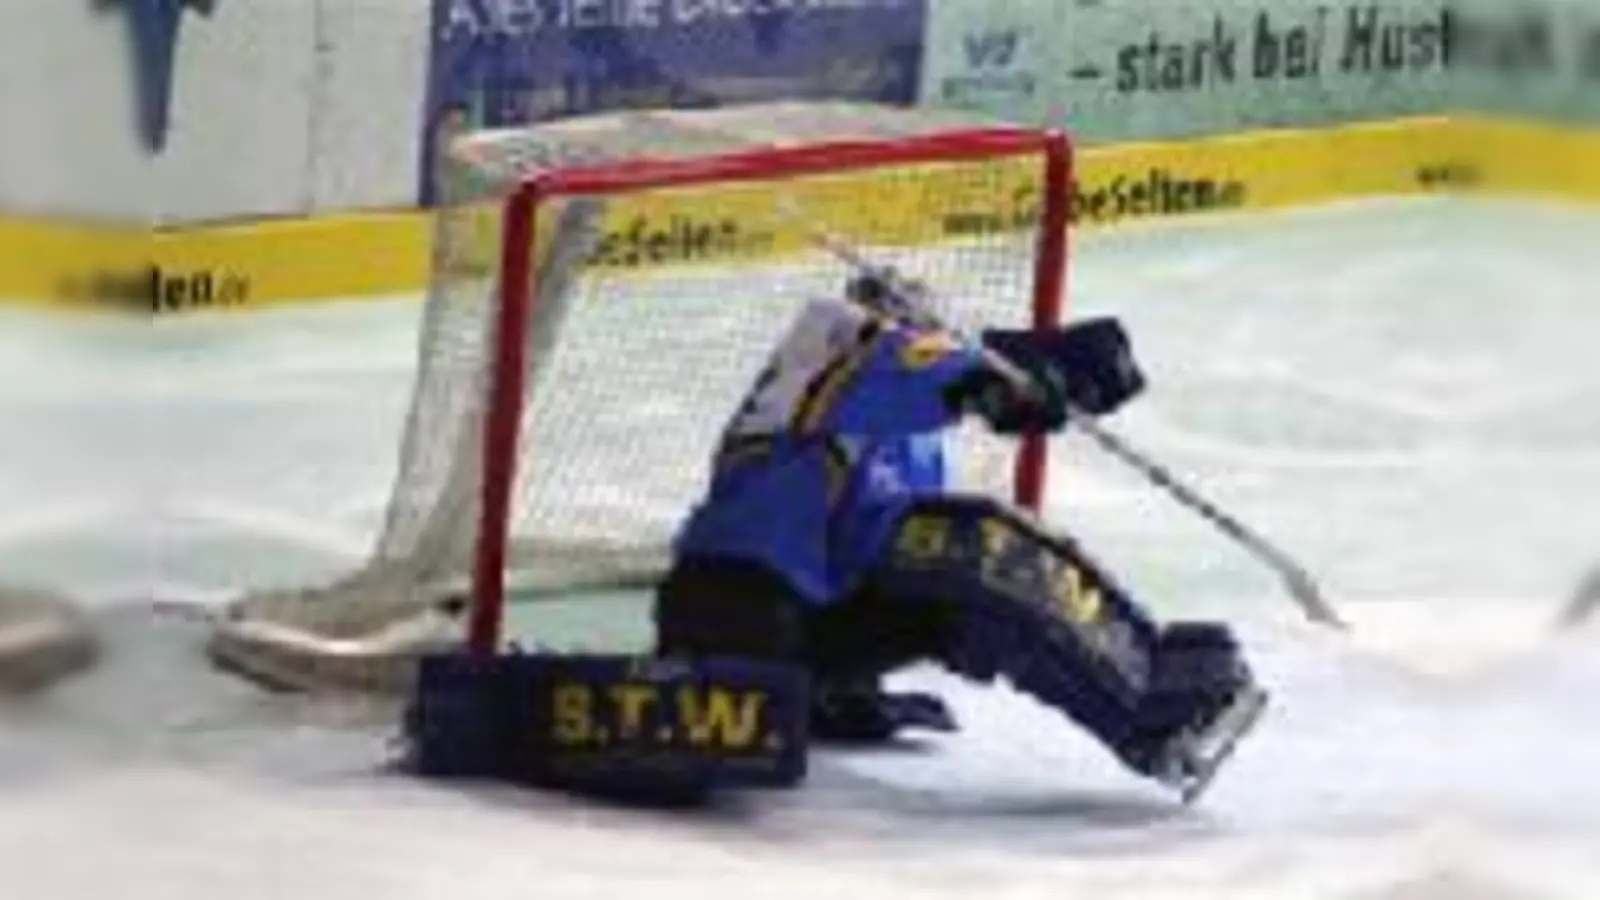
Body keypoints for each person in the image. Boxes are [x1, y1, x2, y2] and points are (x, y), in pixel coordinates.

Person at [652, 270, 1267, 799]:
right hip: (731, 613)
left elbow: (880, 527)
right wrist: (1014, 368)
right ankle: (1147, 691)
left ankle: (1139, 703)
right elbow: (926, 370)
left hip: (809, 624)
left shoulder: (908, 435)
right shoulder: (827, 345)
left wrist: (1018, 384)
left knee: (964, 588)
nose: (916, 330)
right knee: (975, 543)